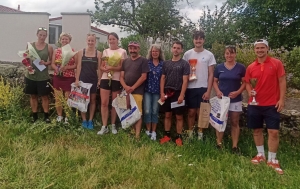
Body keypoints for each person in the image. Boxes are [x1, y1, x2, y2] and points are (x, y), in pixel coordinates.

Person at [245, 39, 286, 175]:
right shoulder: (251, 67)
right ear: (254, 50)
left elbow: (282, 81)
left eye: (262, 48)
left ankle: (272, 160)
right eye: (257, 48)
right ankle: (260, 155)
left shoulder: (276, 63)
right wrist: (250, 90)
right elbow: (247, 83)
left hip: (271, 104)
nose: (260, 50)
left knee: (273, 132)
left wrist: (281, 99)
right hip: (254, 104)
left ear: (267, 49)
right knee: (256, 130)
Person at [183, 30, 216, 140]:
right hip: (190, 87)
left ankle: (200, 136)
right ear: (193, 40)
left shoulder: (209, 55)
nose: (198, 41)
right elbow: (184, 72)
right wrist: (188, 78)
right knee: (191, 112)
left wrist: (208, 91)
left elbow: (211, 74)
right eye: (196, 38)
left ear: (203, 40)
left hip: (203, 87)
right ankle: (190, 134)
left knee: (201, 112)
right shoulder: (187, 54)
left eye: (200, 38)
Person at [213, 46, 246, 153]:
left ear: (235, 54)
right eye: (227, 53)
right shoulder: (219, 67)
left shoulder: (241, 68)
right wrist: (217, 91)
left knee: (234, 122)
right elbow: (214, 81)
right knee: (220, 121)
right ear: (224, 55)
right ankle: (218, 144)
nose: (229, 56)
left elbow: (245, 82)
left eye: (231, 53)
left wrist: (238, 92)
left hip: (235, 99)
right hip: (222, 99)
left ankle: (235, 146)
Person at [159, 41, 190, 146]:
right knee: (167, 115)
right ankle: (167, 136)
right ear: (172, 49)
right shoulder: (166, 63)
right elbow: (163, 78)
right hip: (167, 92)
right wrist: (162, 93)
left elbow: (185, 80)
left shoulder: (185, 64)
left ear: (181, 50)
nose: (176, 50)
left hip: (178, 93)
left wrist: (182, 95)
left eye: (178, 48)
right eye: (174, 47)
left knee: (179, 116)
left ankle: (179, 137)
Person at [97, 32, 127, 135]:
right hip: (105, 78)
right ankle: (104, 126)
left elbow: (122, 67)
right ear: (108, 40)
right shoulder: (105, 51)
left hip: (117, 80)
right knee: (104, 103)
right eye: (110, 39)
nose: (112, 41)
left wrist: (112, 68)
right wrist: (104, 69)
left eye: (113, 39)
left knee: (115, 104)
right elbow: (101, 66)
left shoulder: (122, 51)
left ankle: (113, 125)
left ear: (117, 40)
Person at [119, 41, 149, 139]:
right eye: (131, 48)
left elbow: (144, 77)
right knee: (128, 112)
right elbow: (121, 77)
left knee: (137, 113)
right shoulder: (125, 61)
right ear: (128, 49)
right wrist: (126, 87)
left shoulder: (143, 60)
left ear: (138, 49)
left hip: (137, 91)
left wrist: (133, 87)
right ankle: (132, 131)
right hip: (126, 91)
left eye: (135, 48)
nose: (132, 50)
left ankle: (137, 135)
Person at [24, 27, 53, 123]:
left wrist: (45, 63)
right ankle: (34, 116)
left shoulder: (49, 47)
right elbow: (26, 58)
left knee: (45, 96)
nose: (42, 37)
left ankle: (46, 116)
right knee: (33, 96)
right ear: (37, 35)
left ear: (46, 36)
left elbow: (52, 62)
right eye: (40, 35)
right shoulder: (30, 45)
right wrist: (28, 66)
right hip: (31, 75)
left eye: (44, 35)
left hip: (43, 76)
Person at [75, 34, 102, 129]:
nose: (90, 42)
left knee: (93, 100)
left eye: (92, 41)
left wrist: (99, 80)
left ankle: (90, 120)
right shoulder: (81, 52)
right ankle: (84, 120)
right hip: (83, 79)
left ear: (95, 42)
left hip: (93, 79)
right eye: (89, 40)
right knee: (82, 100)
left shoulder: (98, 53)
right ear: (86, 41)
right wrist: (77, 79)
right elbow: (78, 66)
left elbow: (99, 68)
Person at [51, 32, 77, 123]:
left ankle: (67, 116)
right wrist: (57, 69)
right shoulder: (56, 51)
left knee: (67, 98)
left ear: (69, 41)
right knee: (57, 98)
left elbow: (75, 65)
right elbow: (52, 64)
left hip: (69, 77)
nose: (64, 40)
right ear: (60, 40)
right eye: (63, 39)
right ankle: (59, 116)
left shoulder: (73, 51)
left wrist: (66, 67)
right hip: (58, 76)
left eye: (66, 39)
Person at [144, 44, 165, 140]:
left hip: (158, 91)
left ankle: (154, 132)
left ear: (159, 53)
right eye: (153, 51)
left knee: (155, 111)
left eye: (156, 51)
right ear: (150, 52)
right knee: (147, 110)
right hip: (147, 90)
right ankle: (148, 130)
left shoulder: (163, 64)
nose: (155, 53)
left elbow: (164, 78)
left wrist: (162, 93)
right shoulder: (147, 63)